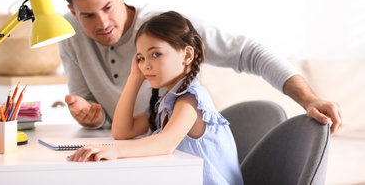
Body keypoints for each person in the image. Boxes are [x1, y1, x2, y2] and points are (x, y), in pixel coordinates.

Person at [59, 0, 342, 134]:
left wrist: (309, 99)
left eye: (108, 7)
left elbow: (249, 52)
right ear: (72, 11)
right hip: (127, 151)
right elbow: (92, 113)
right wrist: (89, 118)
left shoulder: (162, 27)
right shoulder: (68, 31)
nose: (103, 22)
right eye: (87, 16)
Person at [69, 11, 244, 185]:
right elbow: (122, 132)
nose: (146, 65)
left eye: (155, 54)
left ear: (187, 55)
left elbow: (164, 143)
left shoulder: (192, 100)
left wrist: (114, 151)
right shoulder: (164, 104)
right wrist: (134, 78)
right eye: (141, 58)